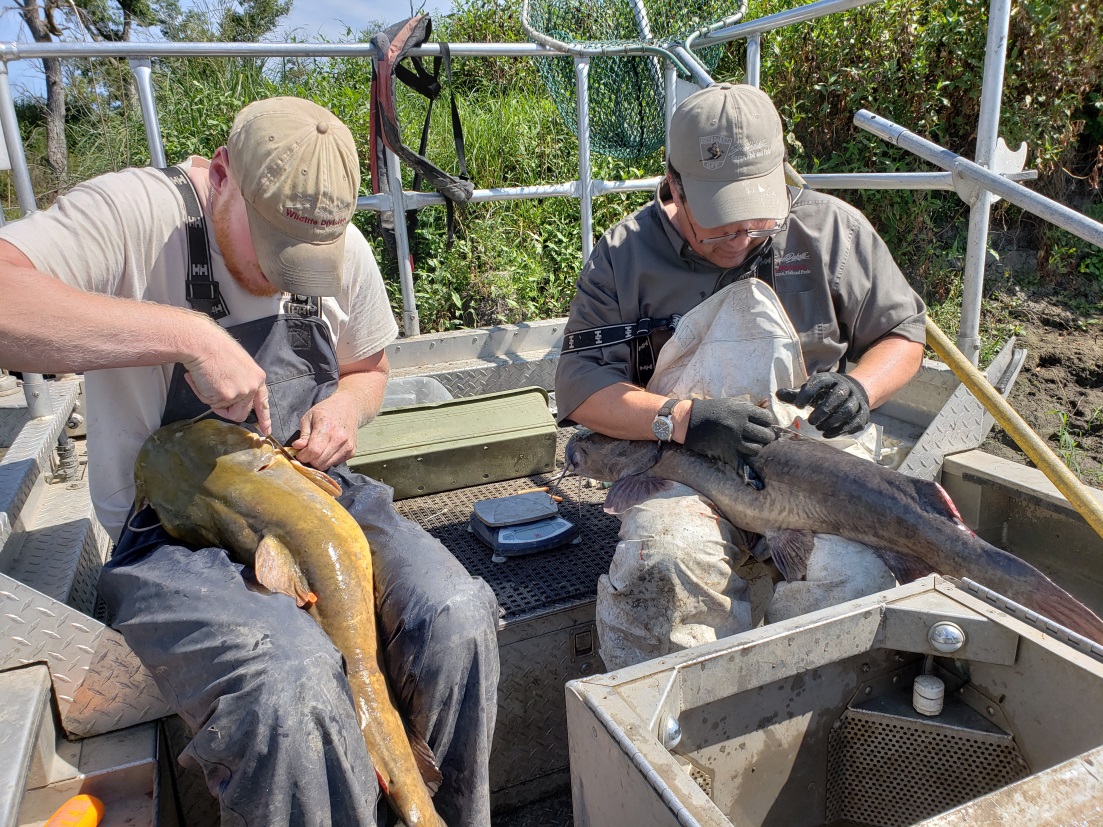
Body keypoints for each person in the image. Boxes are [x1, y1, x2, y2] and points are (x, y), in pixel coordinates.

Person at [0, 96, 498, 826]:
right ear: (223, 174)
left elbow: (367, 369)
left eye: (306, 259)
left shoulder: (341, 248)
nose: (284, 273)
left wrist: (344, 410)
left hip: (310, 487)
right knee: (289, 685)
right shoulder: (138, 215)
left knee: (456, 617)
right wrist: (186, 334)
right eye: (272, 247)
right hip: (171, 533)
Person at [555, 83, 927, 670]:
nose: (742, 238)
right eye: (723, 224)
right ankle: (685, 728)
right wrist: (683, 419)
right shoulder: (623, 255)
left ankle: (801, 720)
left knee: (856, 578)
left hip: (815, 454)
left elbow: (903, 335)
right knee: (665, 564)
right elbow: (580, 387)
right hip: (684, 461)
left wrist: (861, 387)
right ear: (675, 184)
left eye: (755, 221)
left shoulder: (834, 230)